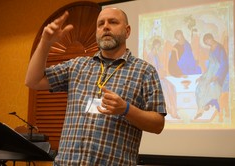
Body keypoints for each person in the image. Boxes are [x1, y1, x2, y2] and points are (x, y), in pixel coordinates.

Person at [25, 8, 167, 165]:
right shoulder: (77, 65)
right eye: (100, 24)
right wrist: (45, 42)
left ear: (127, 31)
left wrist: (126, 109)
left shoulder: (145, 71)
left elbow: (158, 125)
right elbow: (33, 81)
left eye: (113, 22)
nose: (105, 27)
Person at [194, 33, 229, 120]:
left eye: (208, 41)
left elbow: (224, 64)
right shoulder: (211, 50)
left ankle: (205, 105)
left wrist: (217, 76)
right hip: (210, 72)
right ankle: (200, 109)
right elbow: (209, 66)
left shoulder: (220, 48)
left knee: (211, 87)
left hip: (219, 74)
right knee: (199, 87)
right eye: (206, 43)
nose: (208, 43)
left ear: (211, 38)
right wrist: (202, 77)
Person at [147, 39, 179, 119]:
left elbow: (160, 66)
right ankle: (170, 111)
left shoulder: (156, 55)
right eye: (157, 46)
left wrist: (163, 71)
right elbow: (150, 69)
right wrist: (158, 73)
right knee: (165, 90)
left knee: (172, 87)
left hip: (160, 77)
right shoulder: (150, 56)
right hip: (154, 79)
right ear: (154, 45)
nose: (158, 47)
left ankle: (174, 110)